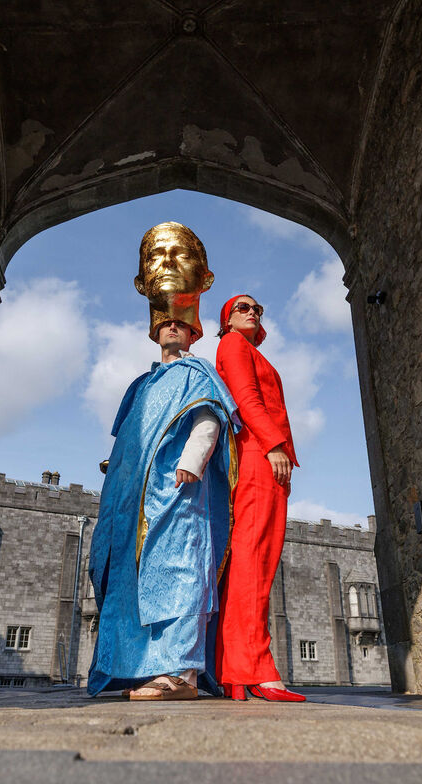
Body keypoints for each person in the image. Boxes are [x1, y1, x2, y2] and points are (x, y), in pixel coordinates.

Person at [87, 222, 239, 701]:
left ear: (192, 330)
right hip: (136, 500)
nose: (171, 329)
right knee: (131, 578)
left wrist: (194, 459)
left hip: (179, 495)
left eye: (179, 324)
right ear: (156, 329)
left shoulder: (198, 372)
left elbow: (208, 420)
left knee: (178, 573)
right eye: (165, 324)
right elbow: (131, 441)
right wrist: (118, 471)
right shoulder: (142, 384)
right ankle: (140, 665)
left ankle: (182, 676)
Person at [213, 294, 305, 702]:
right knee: (253, 561)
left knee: (257, 563)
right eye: (243, 308)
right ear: (227, 320)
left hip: (265, 457)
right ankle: (252, 669)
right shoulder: (233, 345)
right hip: (258, 455)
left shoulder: (250, 350)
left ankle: (236, 669)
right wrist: (274, 445)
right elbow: (246, 399)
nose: (253, 313)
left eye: (258, 309)